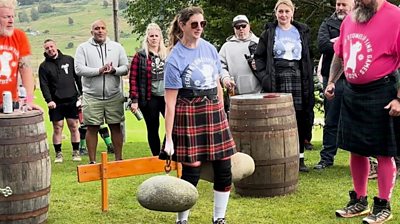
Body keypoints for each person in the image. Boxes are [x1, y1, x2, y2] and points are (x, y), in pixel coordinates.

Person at [327, 0, 400, 223]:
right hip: (352, 92)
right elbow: (339, 54)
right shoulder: (351, 18)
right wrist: (331, 81)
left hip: (382, 91)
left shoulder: (395, 17)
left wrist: (399, 98)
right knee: (355, 150)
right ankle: (360, 200)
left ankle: (383, 205)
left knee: (383, 151)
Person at [162, 6, 236, 224]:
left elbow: (216, 84)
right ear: (182, 25)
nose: (199, 28)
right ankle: (182, 220)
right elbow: (170, 101)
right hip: (188, 114)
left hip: (213, 111)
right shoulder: (174, 58)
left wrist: (222, 113)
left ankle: (219, 218)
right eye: (194, 24)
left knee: (224, 168)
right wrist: (168, 139)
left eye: (202, 24)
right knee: (191, 172)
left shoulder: (210, 49)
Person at [254, 0, 314, 172]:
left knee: (300, 117)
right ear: (275, 13)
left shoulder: (300, 31)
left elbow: (307, 56)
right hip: (276, 77)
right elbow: (258, 57)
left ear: (292, 13)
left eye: (287, 11)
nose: (283, 15)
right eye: (280, 11)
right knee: (279, 117)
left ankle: (300, 158)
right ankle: (280, 157)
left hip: (298, 76)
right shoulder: (269, 32)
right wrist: (264, 76)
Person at [74, 20, 128, 164]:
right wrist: (98, 71)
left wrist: (114, 70)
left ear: (106, 31)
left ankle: (119, 159)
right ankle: (92, 161)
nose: (100, 31)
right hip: (92, 95)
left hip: (113, 94)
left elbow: (125, 67)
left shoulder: (117, 47)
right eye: (96, 29)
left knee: (116, 125)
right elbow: (79, 69)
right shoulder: (83, 48)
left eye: (103, 28)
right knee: (92, 127)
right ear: (92, 32)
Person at [314, 0, 354, 170]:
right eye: (338, 4)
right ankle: (326, 158)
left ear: (352, 5)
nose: (340, 8)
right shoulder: (327, 23)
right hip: (333, 78)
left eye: (344, 5)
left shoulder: (361, 22)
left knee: (360, 119)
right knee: (331, 119)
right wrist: (345, 41)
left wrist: (338, 41)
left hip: (355, 78)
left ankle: (365, 159)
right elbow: (323, 45)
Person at [38, 39, 82, 163]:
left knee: (74, 126)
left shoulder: (69, 60)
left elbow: (77, 78)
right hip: (55, 102)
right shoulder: (44, 66)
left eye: (51, 46)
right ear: (45, 50)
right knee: (58, 127)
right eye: (47, 48)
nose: (50, 49)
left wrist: (82, 95)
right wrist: (49, 100)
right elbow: (44, 85)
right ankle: (58, 154)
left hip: (72, 99)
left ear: (56, 46)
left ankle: (76, 152)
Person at [129, 23, 167, 156]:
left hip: (167, 96)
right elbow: (133, 79)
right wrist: (134, 99)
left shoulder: (167, 54)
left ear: (160, 38)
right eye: (151, 36)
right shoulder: (140, 56)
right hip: (149, 98)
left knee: (174, 125)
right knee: (152, 128)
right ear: (147, 38)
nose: (154, 38)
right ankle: (156, 155)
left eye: (156, 36)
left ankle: (166, 149)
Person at [0, 0, 41, 112]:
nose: (11, 21)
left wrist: (29, 101)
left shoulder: (19, 36)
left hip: (10, 102)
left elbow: (26, 71)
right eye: (6, 17)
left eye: (13, 17)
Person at [219, 14, 261, 96]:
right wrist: (225, 78)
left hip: (259, 92)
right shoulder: (226, 46)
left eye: (243, 26)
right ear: (234, 29)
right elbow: (219, 66)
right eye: (237, 27)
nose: (241, 29)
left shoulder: (259, 43)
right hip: (235, 94)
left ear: (249, 26)